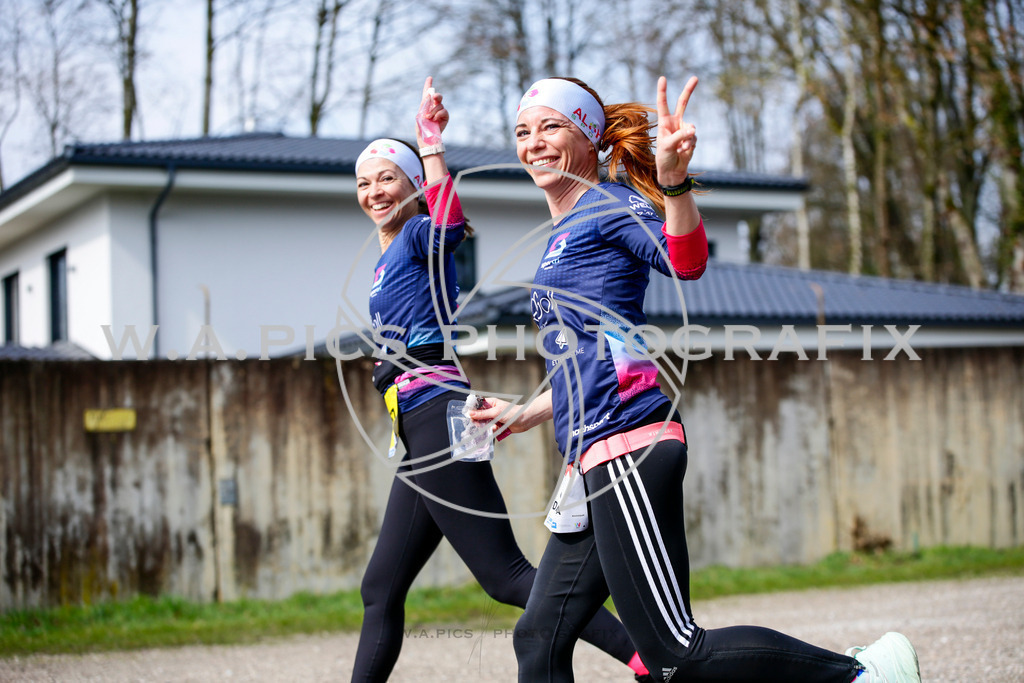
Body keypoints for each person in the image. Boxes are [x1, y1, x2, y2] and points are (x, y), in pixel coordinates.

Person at [470, 75, 923, 683]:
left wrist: (675, 183)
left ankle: (863, 674)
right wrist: (521, 415)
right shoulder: (562, 232)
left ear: (591, 134)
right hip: (592, 459)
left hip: (627, 447)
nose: (535, 143)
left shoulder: (609, 206)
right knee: (539, 636)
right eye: (524, 132)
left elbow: (686, 261)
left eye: (552, 126)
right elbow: (601, 354)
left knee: (673, 654)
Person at [349, 77, 650, 682]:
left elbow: (446, 219)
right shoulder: (385, 259)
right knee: (381, 588)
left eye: (388, 178)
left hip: (439, 415)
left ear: (412, 188)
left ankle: (648, 658)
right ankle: (648, 656)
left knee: (509, 577)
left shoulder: (417, 236)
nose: (374, 191)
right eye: (363, 181)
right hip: (417, 426)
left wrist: (431, 144)